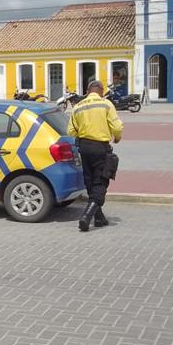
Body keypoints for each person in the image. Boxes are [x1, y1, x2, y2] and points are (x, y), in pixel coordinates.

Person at [67, 80, 123, 232]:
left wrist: (83, 131)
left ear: (87, 90)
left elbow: (71, 131)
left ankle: (99, 218)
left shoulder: (78, 107)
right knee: (101, 182)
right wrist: (117, 137)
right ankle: (86, 217)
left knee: (90, 181)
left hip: (84, 148)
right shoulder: (106, 104)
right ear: (102, 90)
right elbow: (117, 127)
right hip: (100, 148)